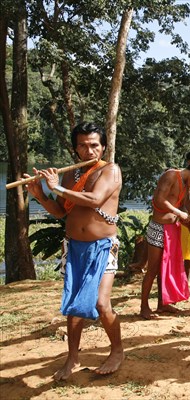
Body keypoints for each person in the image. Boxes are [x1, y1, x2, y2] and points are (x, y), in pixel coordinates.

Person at [24, 122, 123, 380]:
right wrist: (40, 194)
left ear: (102, 147)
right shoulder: (70, 176)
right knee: (74, 305)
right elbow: (60, 211)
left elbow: (94, 200)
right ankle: (72, 358)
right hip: (74, 247)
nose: (89, 150)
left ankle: (117, 351)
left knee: (102, 303)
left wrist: (55, 187)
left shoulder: (110, 171)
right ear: (76, 148)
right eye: (83, 145)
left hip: (103, 247)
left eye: (94, 145)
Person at [140, 149, 190, 320]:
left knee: (165, 268)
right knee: (153, 268)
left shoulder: (186, 185)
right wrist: (179, 213)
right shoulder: (171, 175)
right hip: (159, 226)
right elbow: (158, 199)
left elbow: (182, 207)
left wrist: (188, 223)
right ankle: (144, 307)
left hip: (173, 228)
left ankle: (162, 304)